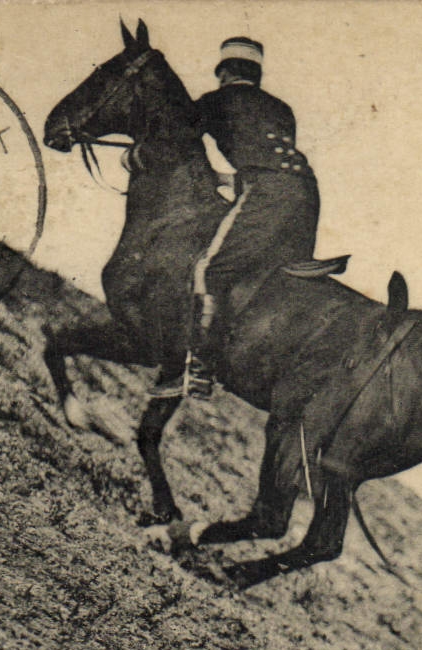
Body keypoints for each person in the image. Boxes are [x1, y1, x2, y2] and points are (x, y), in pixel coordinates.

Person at [162, 36, 322, 399]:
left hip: (265, 192)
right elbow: (268, 158)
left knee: (211, 269)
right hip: (307, 193)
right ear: (257, 75)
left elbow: (175, 138)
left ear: (224, 72)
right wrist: (227, 179)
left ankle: (199, 370)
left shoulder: (216, 101)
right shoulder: (282, 109)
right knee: (275, 277)